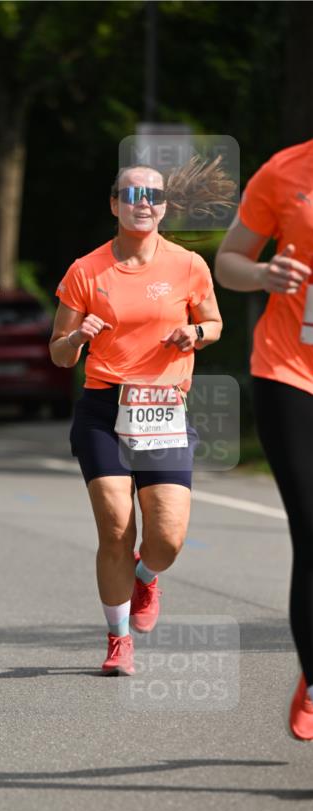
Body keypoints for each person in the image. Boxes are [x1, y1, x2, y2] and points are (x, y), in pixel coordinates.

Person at [50, 162, 225, 676]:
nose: (142, 202)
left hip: (165, 408)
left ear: (164, 206)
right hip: (106, 408)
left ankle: (146, 576)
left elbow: (213, 322)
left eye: (152, 195)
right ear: (115, 204)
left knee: (166, 539)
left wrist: (196, 335)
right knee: (115, 528)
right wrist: (79, 336)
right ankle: (117, 638)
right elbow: (59, 354)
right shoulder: (86, 270)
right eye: (131, 194)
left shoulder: (189, 265)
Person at [215, 139, 313, 741]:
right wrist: (264, 272)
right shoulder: (285, 170)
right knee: (312, 527)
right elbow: (229, 261)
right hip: (290, 372)